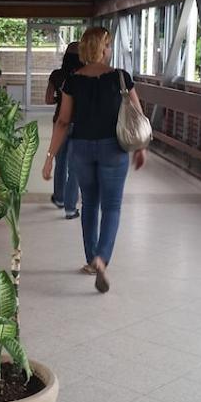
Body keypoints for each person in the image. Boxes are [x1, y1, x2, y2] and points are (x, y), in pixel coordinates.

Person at [42, 27, 147, 293]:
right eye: (108, 45)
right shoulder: (120, 77)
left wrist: (49, 157)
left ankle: (90, 261)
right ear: (102, 48)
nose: (110, 50)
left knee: (89, 202)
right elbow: (136, 113)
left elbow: (63, 121)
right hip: (114, 149)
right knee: (111, 206)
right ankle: (102, 258)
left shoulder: (72, 80)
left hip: (82, 148)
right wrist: (141, 147)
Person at [45, 42, 82, 219]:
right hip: (80, 124)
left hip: (60, 122)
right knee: (74, 166)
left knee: (61, 162)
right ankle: (70, 207)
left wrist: (61, 100)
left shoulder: (57, 75)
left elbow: (48, 100)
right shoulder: (85, 76)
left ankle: (59, 198)